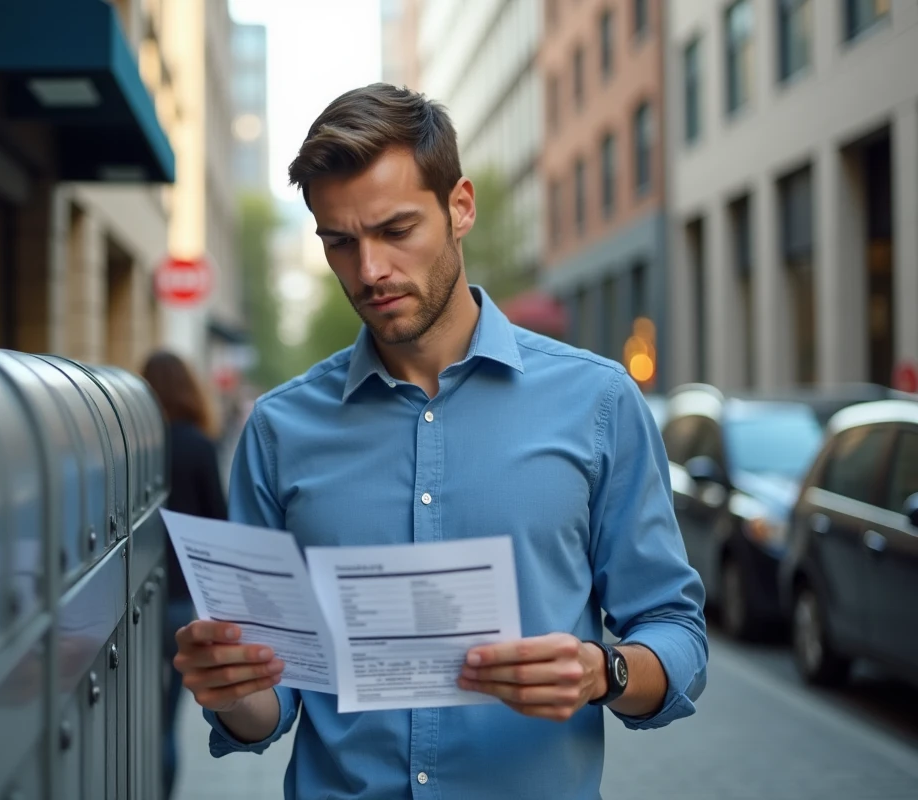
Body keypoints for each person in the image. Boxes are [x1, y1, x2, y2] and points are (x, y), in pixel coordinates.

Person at [171, 84, 708, 799]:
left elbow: (675, 630)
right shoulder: (278, 430)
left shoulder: (600, 402)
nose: (369, 271)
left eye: (396, 230)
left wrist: (600, 672)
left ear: (460, 206)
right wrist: (231, 689)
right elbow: (274, 705)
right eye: (340, 242)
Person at [141, 350, 228, 799]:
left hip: (132, 598)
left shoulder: (137, 444)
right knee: (165, 717)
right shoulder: (197, 443)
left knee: (134, 711)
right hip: (179, 596)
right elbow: (218, 521)